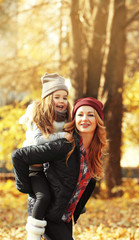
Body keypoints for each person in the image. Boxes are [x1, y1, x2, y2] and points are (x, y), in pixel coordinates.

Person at [12, 97, 107, 240]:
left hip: (64, 217)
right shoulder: (65, 146)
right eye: (80, 114)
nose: (84, 119)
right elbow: (19, 156)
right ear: (74, 119)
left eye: (90, 115)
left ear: (98, 120)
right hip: (47, 214)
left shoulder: (93, 152)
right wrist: (26, 188)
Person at [18, 72, 72, 240]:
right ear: (48, 98)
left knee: (60, 196)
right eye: (57, 97)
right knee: (44, 196)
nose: (62, 101)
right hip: (34, 169)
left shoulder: (65, 118)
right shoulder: (38, 114)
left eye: (65, 97)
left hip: (51, 169)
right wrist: (62, 136)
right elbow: (38, 141)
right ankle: (33, 235)